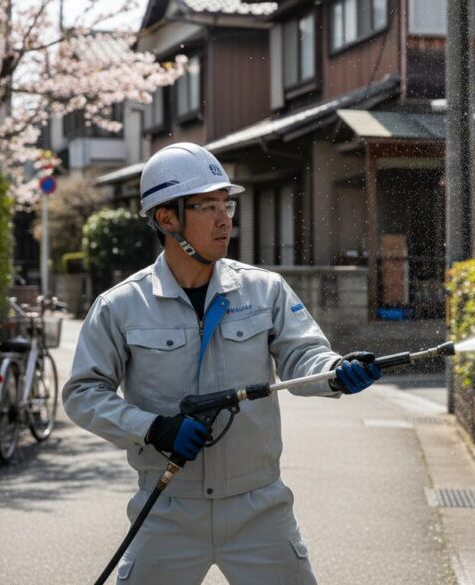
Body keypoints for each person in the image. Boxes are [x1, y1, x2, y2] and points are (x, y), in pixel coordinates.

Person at [63, 142, 382, 584]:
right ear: (166, 218)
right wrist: (154, 428)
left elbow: (302, 355)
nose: (224, 219)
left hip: (260, 508)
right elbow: (83, 394)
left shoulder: (264, 290)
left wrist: (338, 372)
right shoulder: (121, 306)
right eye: (207, 206)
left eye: (226, 204)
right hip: (168, 509)